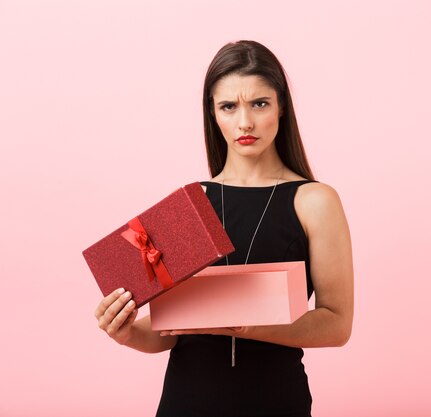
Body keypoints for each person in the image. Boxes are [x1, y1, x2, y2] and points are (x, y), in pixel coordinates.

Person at [93, 40, 353, 417]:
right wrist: (127, 332)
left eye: (259, 104)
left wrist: (247, 327)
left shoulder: (315, 201)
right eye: (228, 106)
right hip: (185, 403)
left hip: (277, 403)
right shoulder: (191, 201)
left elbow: (336, 325)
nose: (244, 122)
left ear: (281, 107)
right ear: (213, 114)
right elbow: (171, 331)